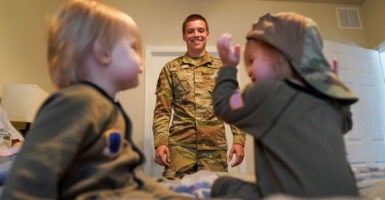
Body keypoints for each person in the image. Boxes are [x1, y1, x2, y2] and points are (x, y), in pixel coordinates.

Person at [1, 0, 188, 199]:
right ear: (103, 53)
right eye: (134, 48)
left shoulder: (108, 108)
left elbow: (129, 179)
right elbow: (28, 179)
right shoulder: (76, 102)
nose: (141, 59)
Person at [210, 12, 360, 199]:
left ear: (280, 55)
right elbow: (345, 125)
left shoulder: (263, 93)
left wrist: (228, 68)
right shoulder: (326, 99)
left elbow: (224, 105)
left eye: (251, 61)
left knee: (222, 185)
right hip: (347, 194)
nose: (249, 72)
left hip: (291, 194)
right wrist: (333, 91)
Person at [153, 14, 247, 179]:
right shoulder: (170, 69)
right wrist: (161, 142)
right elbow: (162, 111)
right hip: (180, 150)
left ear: (207, 34)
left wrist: (239, 141)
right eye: (191, 31)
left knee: (213, 194)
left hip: (214, 150)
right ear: (184, 36)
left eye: (200, 30)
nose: (196, 34)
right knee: (176, 195)